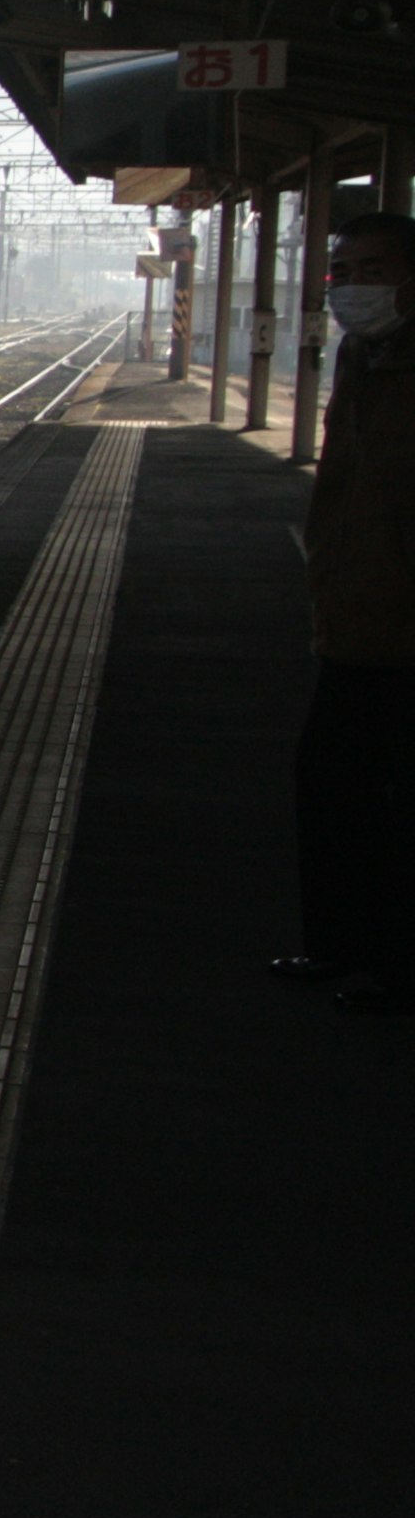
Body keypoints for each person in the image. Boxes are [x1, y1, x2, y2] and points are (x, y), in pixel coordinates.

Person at [279, 208, 415, 1009]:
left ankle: (393, 964)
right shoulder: (362, 359)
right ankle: (343, 946)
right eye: (343, 272)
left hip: (402, 626)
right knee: (334, 790)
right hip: (357, 619)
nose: (355, 288)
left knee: (392, 803)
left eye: (374, 270)